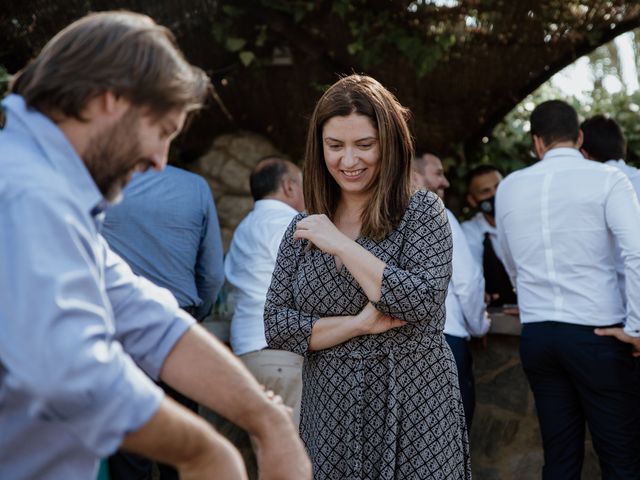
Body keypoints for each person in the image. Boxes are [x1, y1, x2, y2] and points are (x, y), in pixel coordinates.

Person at [0, 11, 310, 480]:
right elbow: (69, 371)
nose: (160, 161)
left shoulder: (49, 188)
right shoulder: (25, 190)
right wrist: (205, 452)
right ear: (111, 100)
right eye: (163, 131)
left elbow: (145, 317)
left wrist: (266, 420)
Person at [264, 74, 470, 479]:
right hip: (330, 414)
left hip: (414, 409)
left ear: (388, 144)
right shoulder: (304, 228)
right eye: (334, 146)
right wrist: (358, 324)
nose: (348, 160)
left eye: (364, 145)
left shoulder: (422, 212)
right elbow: (277, 325)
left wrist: (342, 245)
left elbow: (421, 300)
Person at [495, 100, 640, 479]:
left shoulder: (509, 187)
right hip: (598, 334)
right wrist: (637, 328)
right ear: (578, 137)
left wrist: (529, 304)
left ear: (537, 143)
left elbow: (511, 260)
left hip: (540, 335)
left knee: (559, 460)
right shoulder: (609, 179)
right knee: (621, 459)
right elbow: (637, 254)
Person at [101, 164, 225, 479]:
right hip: (179, 327)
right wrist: (197, 316)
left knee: (130, 450)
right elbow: (212, 274)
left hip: (120, 327)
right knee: (182, 446)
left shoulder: (100, 181)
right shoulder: (195, 186)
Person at [225, 156, 305, 426]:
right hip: (281, 353)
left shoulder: (243, 228)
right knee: (296, 454)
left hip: (245, 352)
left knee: (267, 451)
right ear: (289, 186)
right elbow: (310, 286)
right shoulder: (291, 224)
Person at [413, 151, 489, 431]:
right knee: (450, 445)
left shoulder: (377, 215)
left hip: (393, 344)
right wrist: (480, 326)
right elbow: (467, 282)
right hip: (445, 340)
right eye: (438, 173)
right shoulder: (437, 213)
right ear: (413, 175)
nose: (445, 182)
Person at [461, 165, 517, 308]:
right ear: (472, 200)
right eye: (486, 191)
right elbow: (471, 275)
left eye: (499, 186)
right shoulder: (470, 231)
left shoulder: (526, 221)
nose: (495, 194)